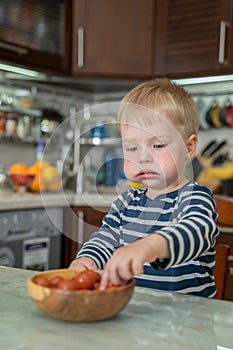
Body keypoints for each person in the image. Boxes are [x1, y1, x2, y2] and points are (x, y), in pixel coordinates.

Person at [69, 78, 219, 298]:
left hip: (188, 322)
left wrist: (151, 246)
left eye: (157, 145)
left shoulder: (195, 197)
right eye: (131, 148)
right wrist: (87, 259)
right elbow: (105, 239)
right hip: (137, 314)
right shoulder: (125, 202)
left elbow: (194, 231)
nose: (143, 158)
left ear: (189, 147)